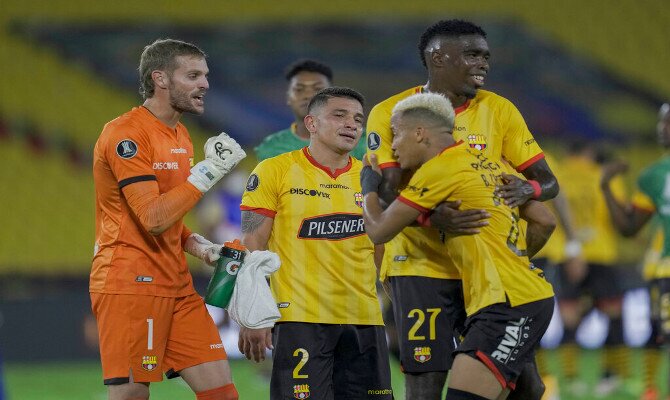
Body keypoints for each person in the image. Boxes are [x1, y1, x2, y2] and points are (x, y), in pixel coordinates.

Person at [365, 19, 558, 399]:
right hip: (421, 268)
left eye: (485, 56)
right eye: (471, 55)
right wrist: (429, 217)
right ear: (438, 58)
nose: (482, 63)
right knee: (426, 377)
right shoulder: (393, 113)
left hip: (483, 272)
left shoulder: (500, 110)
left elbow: (546, 186)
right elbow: (388, 189)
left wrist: (528, 192)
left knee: (526, 384)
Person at [90, 39, 246, 400]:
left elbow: (171, 219)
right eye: (192, 75)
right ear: (159, 78)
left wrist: (201, 247)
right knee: (132, 395)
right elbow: (153, 219)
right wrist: (210, 170)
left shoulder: (180, 134)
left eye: (205, 75)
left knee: (222, 393)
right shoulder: (125, 134)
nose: (205, 84)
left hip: (176, 284)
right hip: (130, 283)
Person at [239, 87, 393, 399]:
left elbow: (382, 252)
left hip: (364, 321)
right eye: (340, 115)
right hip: (300, 320)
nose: (351, 124)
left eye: (358, 119)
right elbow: (253, 241)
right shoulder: (275, 170)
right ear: (311, 123)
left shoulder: (372, 179)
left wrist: (400, 306)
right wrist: (251, 311)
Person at [552, 141, 633, 397]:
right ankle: (610, 377)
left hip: (567, 254)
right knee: (613, 314)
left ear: (569, 153)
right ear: (590, 153)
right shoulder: (603, 176)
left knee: (570, 318)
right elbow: (618, 214)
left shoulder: (558, 174)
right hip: (602, 253)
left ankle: (569, 379)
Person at [601, 102, 670, 400]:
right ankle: (651, 391)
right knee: (660, 337)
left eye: (667, 122)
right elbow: (629, 227)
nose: (661, 129)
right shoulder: (654, 176)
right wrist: (607, 187)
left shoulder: (656, 175)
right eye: (661, 122)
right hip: (665, 272)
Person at [254, 59, 367, 161]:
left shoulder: (365, 142)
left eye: (318, 89)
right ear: (288, 97)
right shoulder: (272, 148)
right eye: (299, 89)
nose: (308, 95)